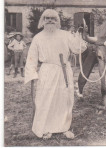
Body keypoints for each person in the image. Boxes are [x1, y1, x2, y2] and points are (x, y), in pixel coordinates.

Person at [24, 9, 87, 139]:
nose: (50, 21)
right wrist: (32, 73)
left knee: (64, 99)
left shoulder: (65, 35)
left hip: (64, 71)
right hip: (47, 72)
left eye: (53, 18)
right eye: (47, 18)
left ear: (57, 21)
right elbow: (31, 57)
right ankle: (46, 128)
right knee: (45, 99)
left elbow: (77, 48)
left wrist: (79, 36)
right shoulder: (38, 38)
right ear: (43, 21)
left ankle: (64, 127)